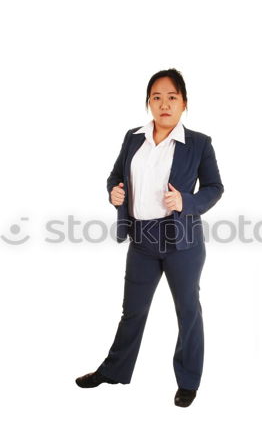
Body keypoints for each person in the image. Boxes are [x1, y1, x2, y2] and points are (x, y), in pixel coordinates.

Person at [75, 68, 224, 407]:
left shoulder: (199, 143)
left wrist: (187, 201)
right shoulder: (133, 137)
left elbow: (215, 188)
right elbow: (116, 176)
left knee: (188, 311)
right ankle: (113, 371)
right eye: (156, 97)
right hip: (141, 239)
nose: (164, 104)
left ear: (184, 103)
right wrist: (114, 193)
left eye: (172, 97)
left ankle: (188, 381)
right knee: (132, 311)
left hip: (181, 242)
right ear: (148, 103)